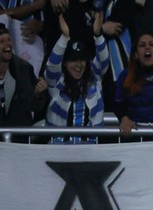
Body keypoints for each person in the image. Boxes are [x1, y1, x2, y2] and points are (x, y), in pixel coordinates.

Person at [44, 14, 110, 143]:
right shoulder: (57, 81)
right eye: (73, 60)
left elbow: (103, 61)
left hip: (90, 150)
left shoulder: (94, 80)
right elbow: (52, 65)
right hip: (58, 151)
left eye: (81, 60)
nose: (78, 65)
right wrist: (64, 38)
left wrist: (98, 35)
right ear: (65, 63)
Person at [0, 23, 47, 129]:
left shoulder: (24, 69)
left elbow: (33, 107)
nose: (8, 44)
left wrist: (38, 94)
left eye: (9, 39)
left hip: (18, 140)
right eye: (1, 41)